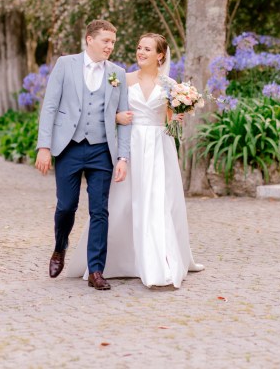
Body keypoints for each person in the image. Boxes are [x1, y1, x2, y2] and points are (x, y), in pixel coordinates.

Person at [67, 33, 204, 288]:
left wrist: (175, 121)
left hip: (159, 147)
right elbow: (102, 109)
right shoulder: (122, 79)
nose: (140, 52)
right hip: (129, 145)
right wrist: (118, 119)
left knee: (156, 201)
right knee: (122, 201)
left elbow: (170, 125)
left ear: (160, 55)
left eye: (147, 49)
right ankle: (110, 260)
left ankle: (158, 259)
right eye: (139, 47)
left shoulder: (170, 85)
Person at [35, 19, 131, 291]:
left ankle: (96, 270)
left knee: (100, 210)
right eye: (105, 41)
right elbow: (50, 107)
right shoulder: (66, 65)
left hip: (102, 150)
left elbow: (125, 120)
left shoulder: (117, 74)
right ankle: (59, 247)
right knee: (66, 206)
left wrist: (122, 158)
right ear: (90, 39)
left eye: (113, 41)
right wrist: (44, 147)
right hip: (70, 146)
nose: (110, 46)